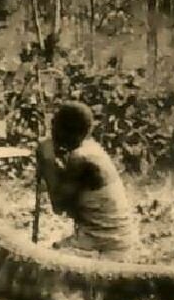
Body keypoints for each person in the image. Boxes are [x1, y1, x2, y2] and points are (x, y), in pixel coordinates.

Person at [36, 101, 138, 258]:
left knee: (44, 263)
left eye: (54, 126)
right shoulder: (91, 148)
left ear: (64, 131)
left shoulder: (81, 158)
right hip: (117, 238)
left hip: (107, 244)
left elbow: (59, 205)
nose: (51, 131)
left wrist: (47, 159)